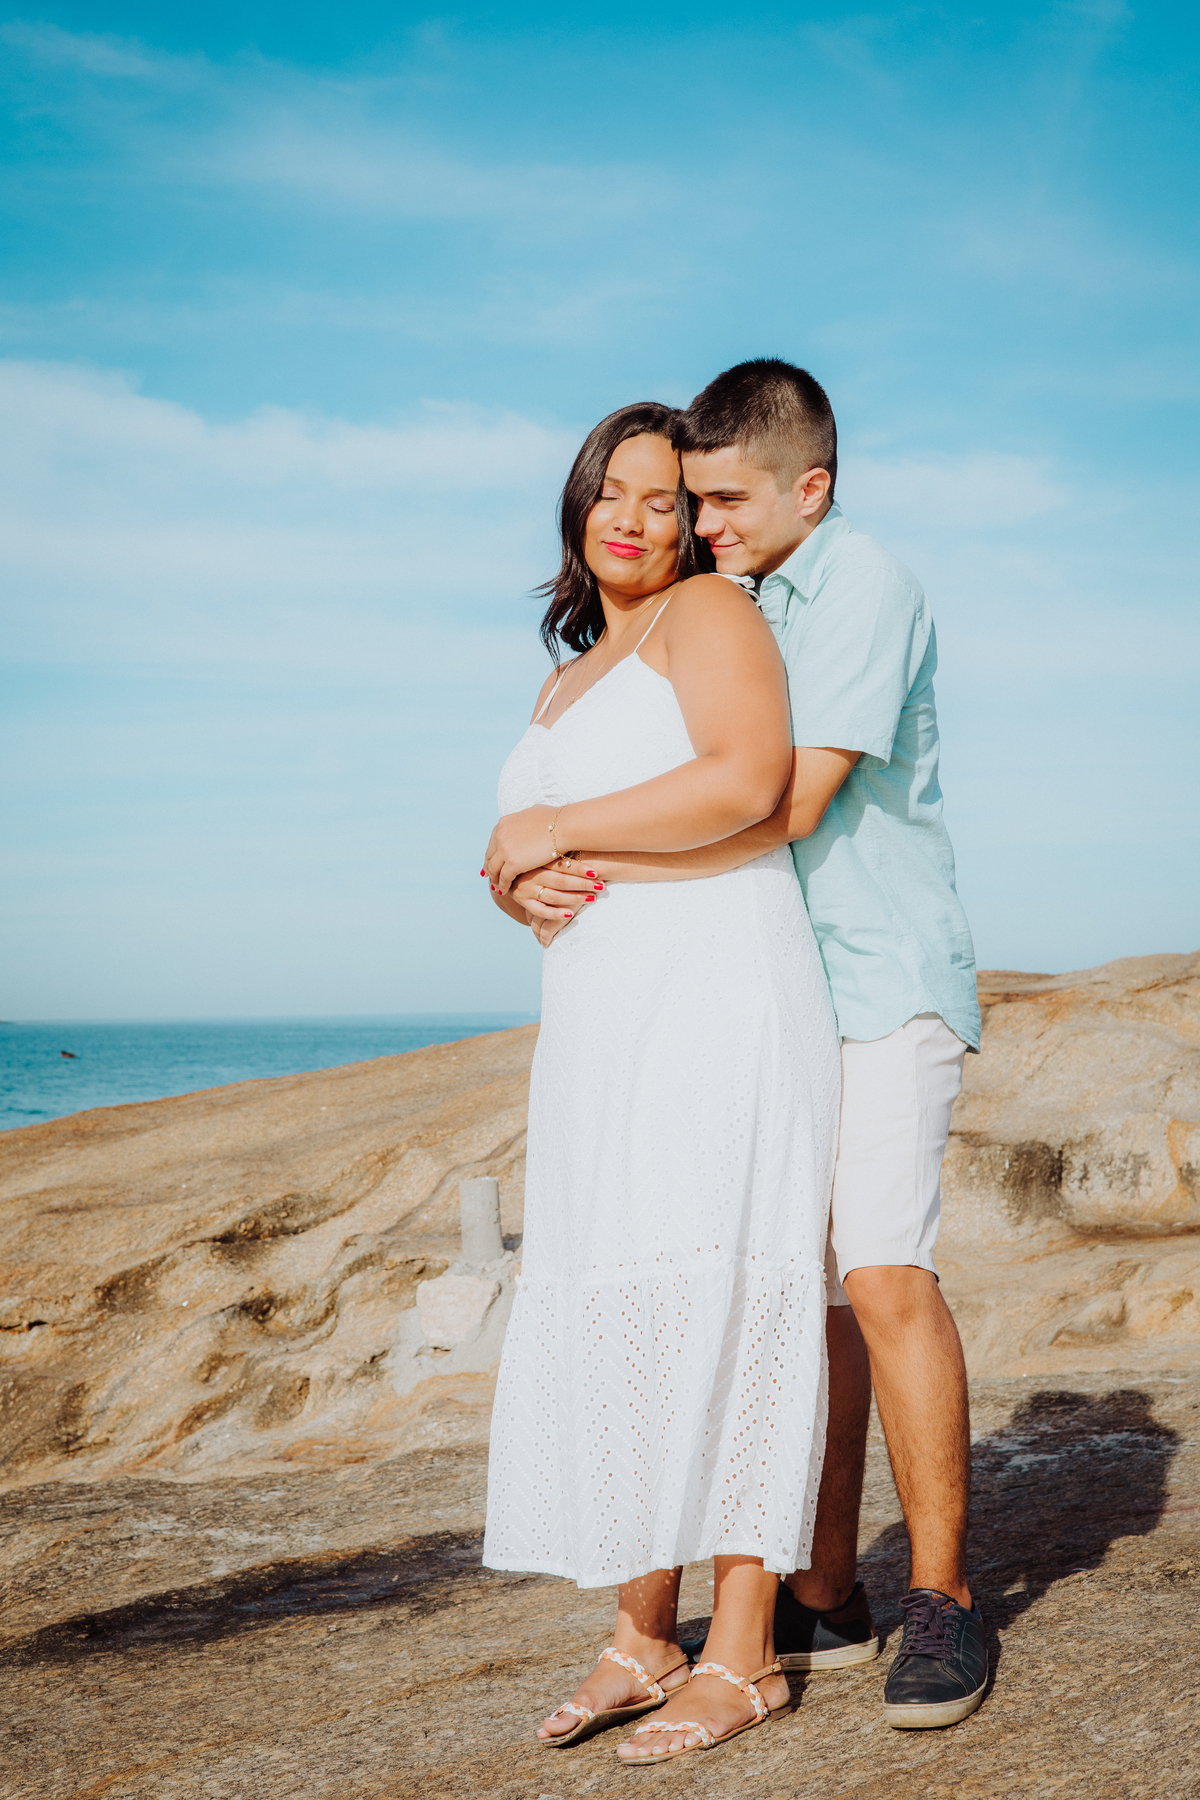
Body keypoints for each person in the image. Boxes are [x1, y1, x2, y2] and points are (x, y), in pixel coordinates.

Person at [516, 360, 988, 1732]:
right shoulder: (744, 597)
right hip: (773, 991)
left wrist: (553, 836)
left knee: (884, 1275)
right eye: (689, 500)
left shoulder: (863, 586)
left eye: (720, 497)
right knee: (805, 1292)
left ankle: (942, 1601)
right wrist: (517, 870)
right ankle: (825, 1578)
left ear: (810, 488)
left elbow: (774, 802)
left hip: (877, 979)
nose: (702, 521)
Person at [480, 400, 842, 1763]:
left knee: (728, 1294)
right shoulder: (572, 670)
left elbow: (749, 783)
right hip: (600, 1025)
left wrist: (553, 830)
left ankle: (742, 1657)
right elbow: (544, 848)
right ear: (577, 507)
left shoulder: (710, 619)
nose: (636, 519)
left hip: (718, 999)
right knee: (635, 1303)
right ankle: (643, 1633)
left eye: (664, 499)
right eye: (612, 494)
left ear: (696, 521)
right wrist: (522, 883)